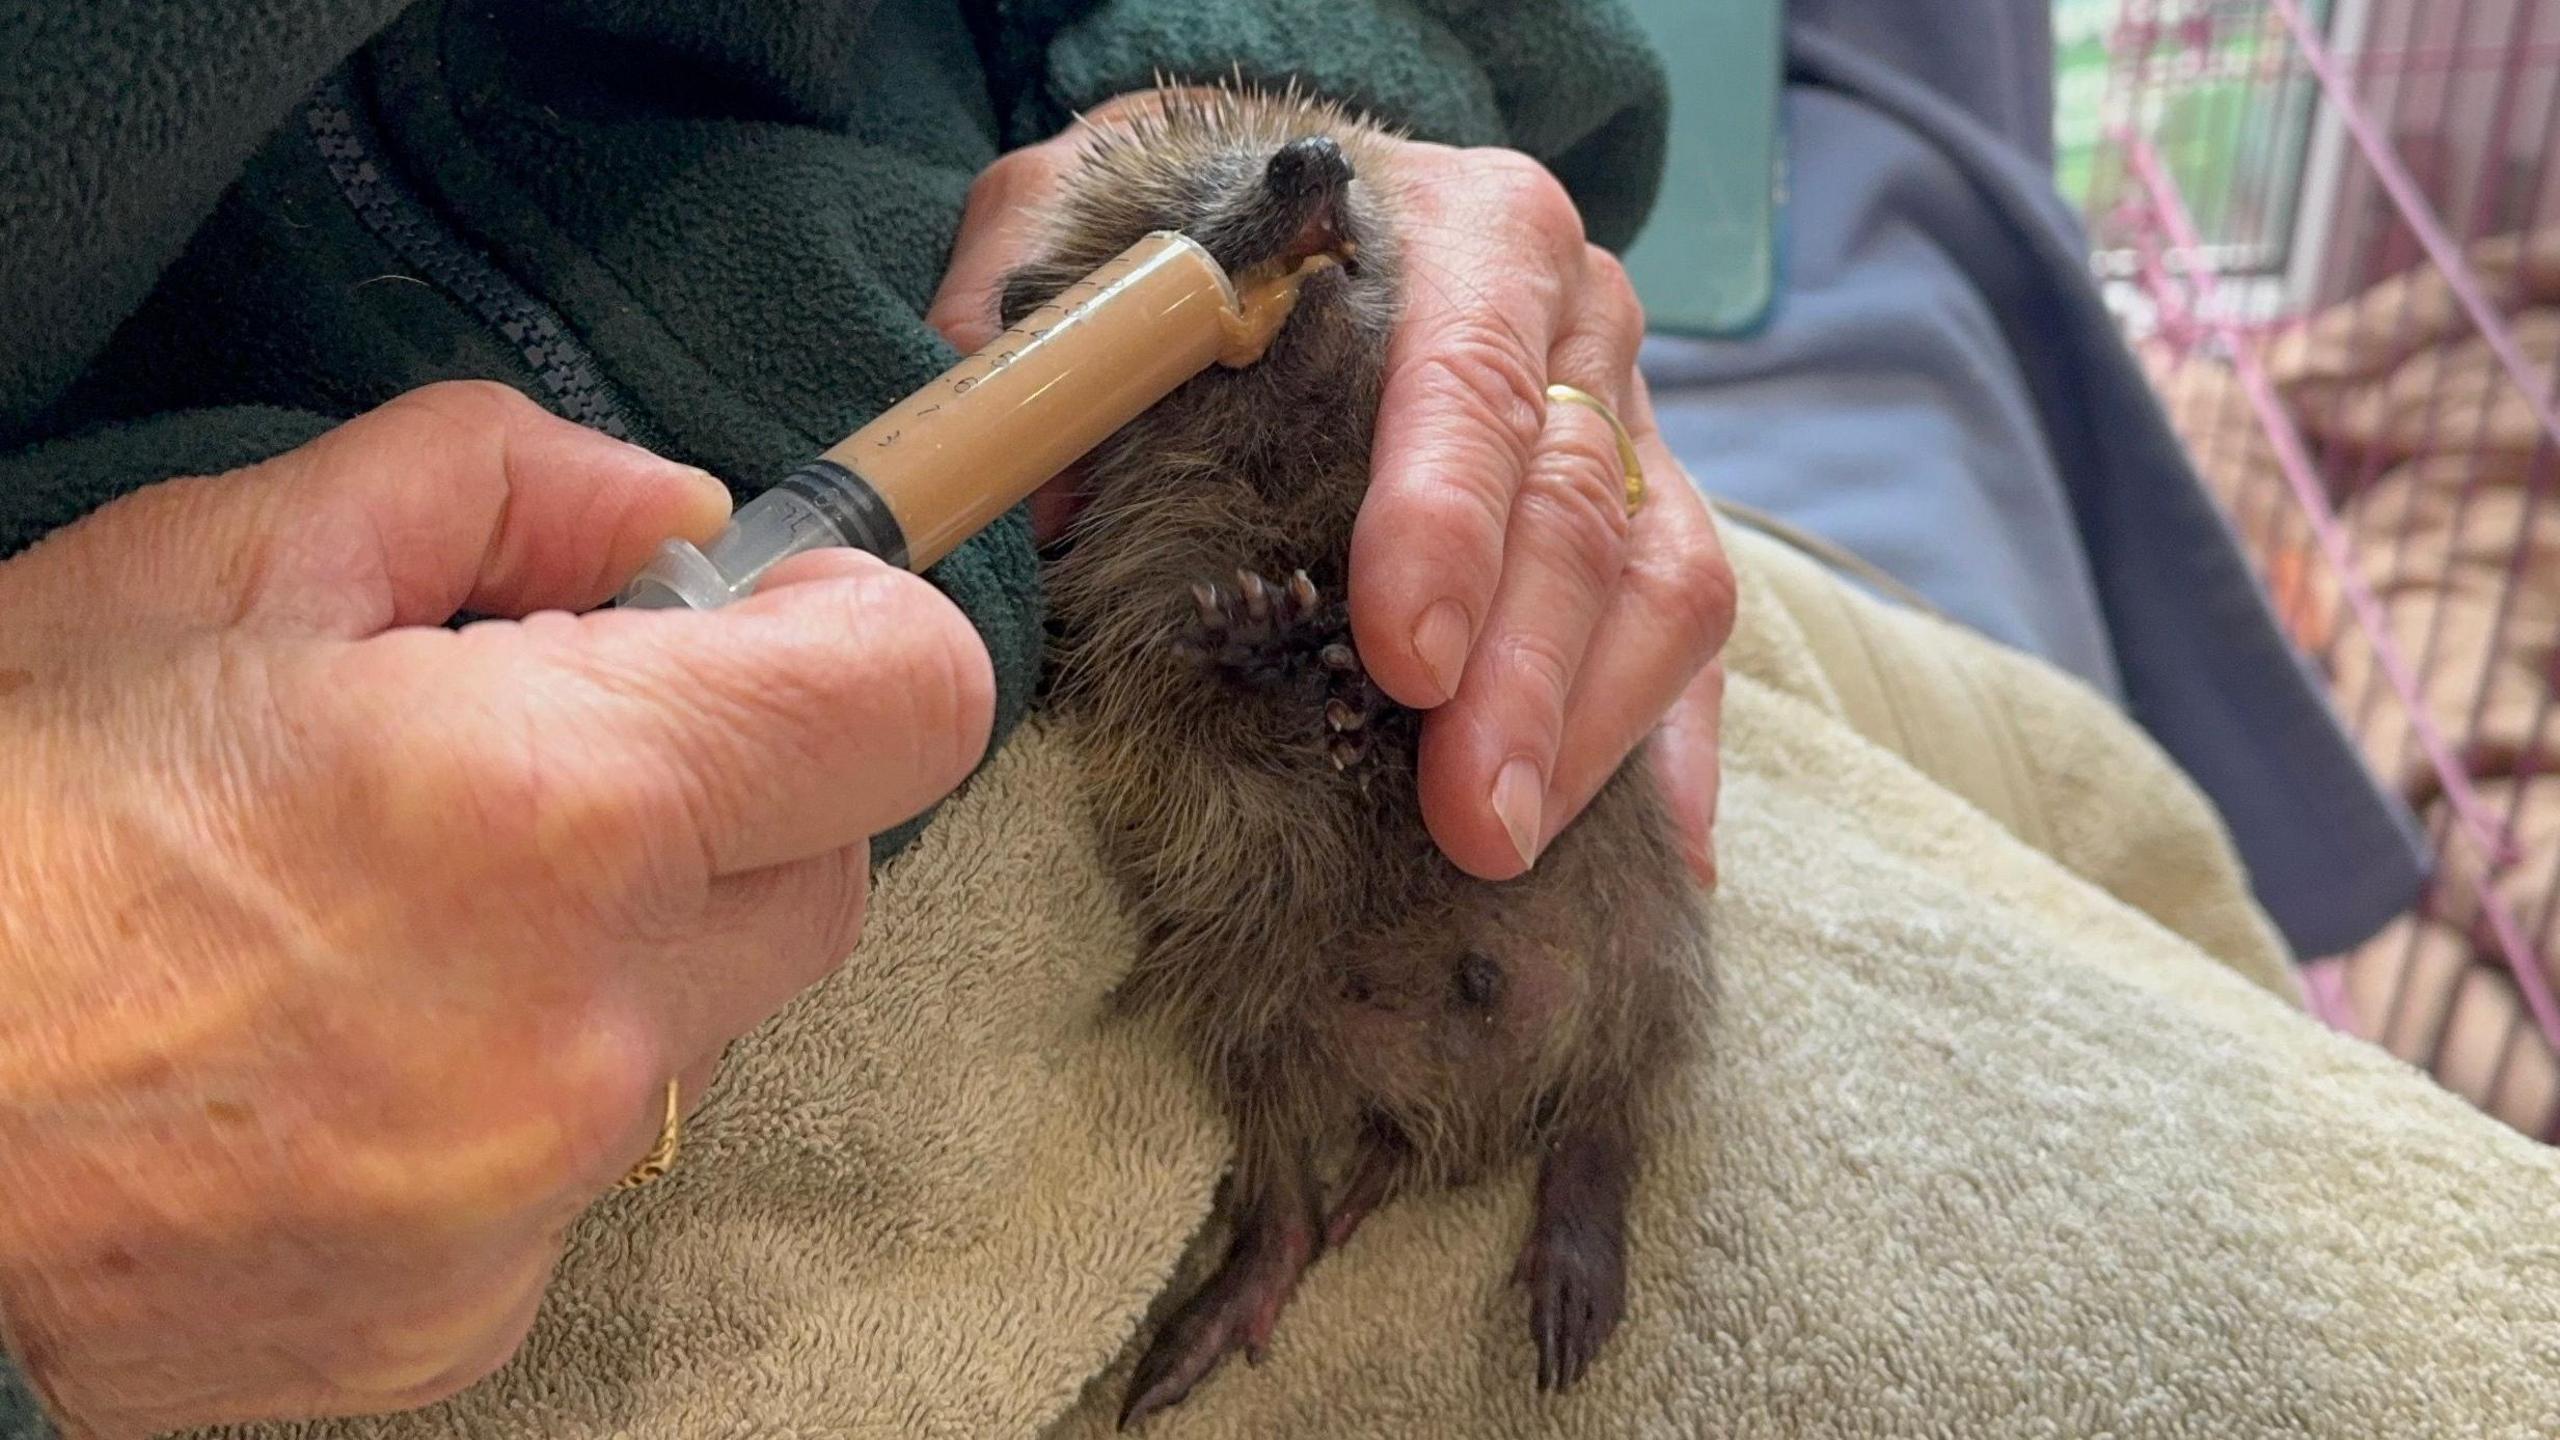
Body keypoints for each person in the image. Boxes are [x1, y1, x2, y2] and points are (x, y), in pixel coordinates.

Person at [0, 1, 1728, 1434]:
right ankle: (1303, 1215)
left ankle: (1541, 1158)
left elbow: (1321, 176)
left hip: (1040, 361)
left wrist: (1319, 68)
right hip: (508, 960)